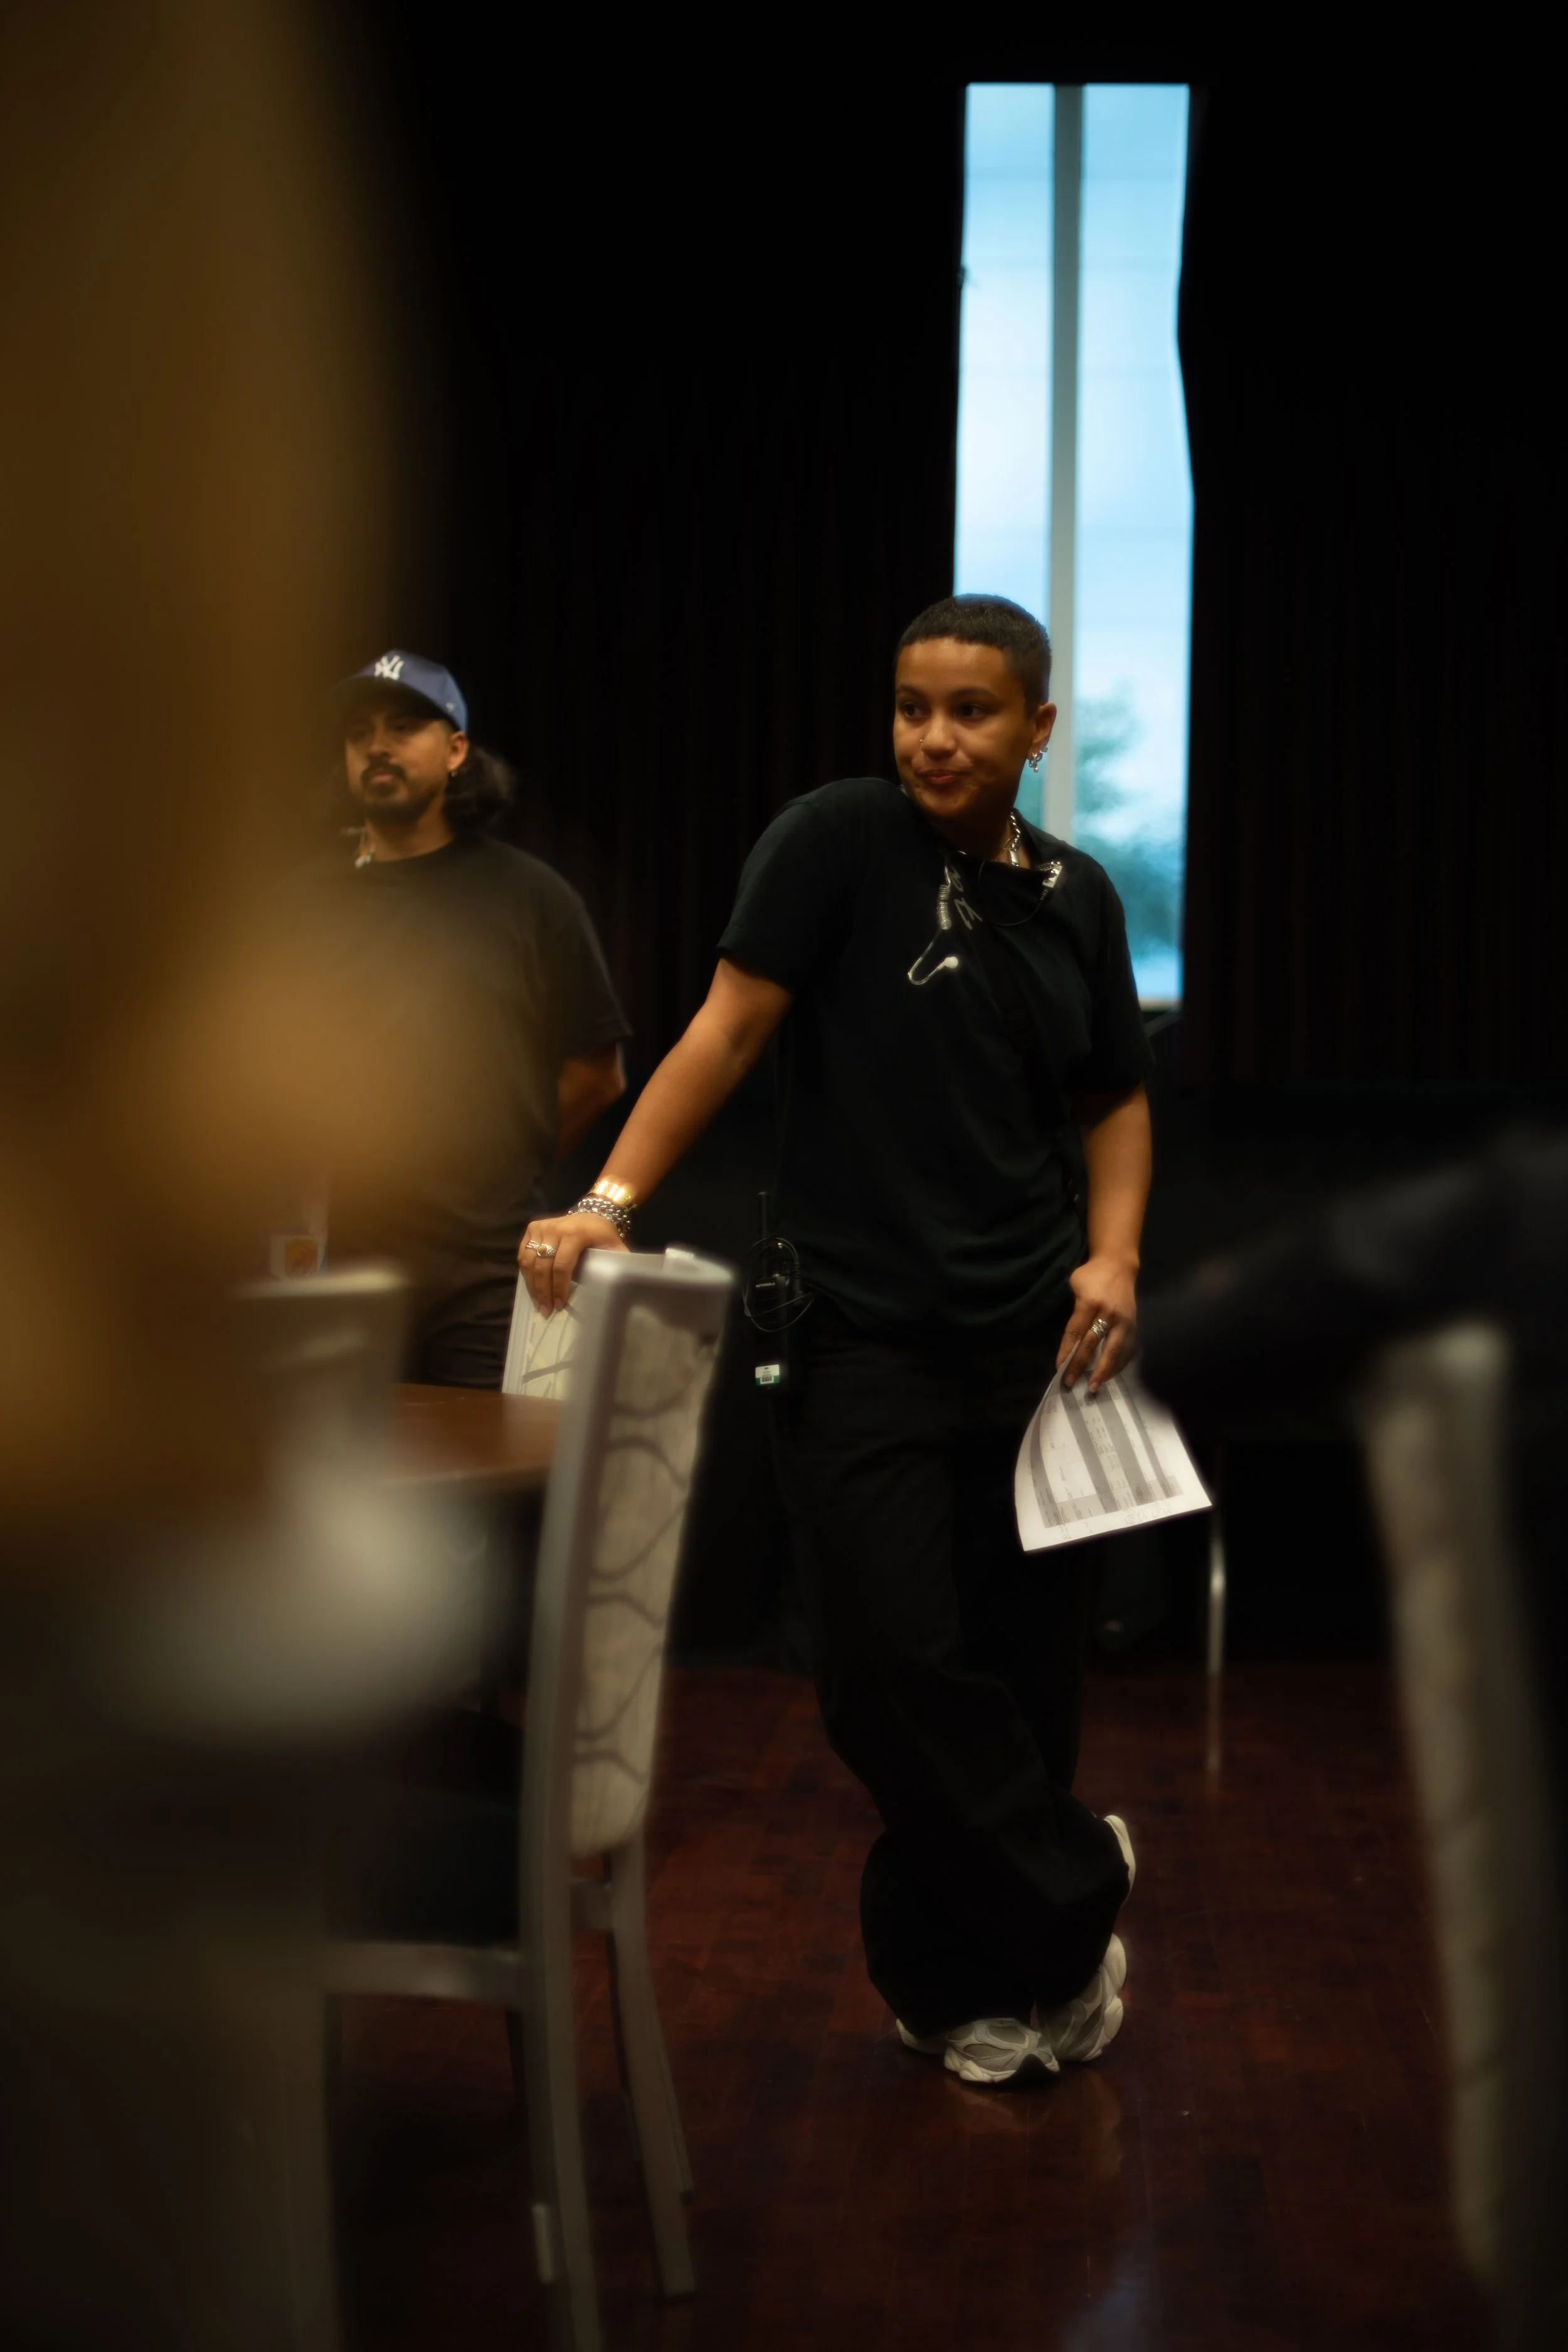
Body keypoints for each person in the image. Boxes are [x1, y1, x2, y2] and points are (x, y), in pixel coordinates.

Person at [519, 594, 1151, 2085]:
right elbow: (726, 1029)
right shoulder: (836, 841)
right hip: (857, 1332)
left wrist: (1115, 1256)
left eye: (972, 710)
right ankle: (1076, 1890)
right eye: (913, 705)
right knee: (883, 1666)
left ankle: (977, 1995)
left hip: (1033, 1347)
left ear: (1038, 729)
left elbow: (1113, 1095)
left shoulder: (1078, 894)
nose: (934, 735)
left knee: (1022, 1676)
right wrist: (607, 1192)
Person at [297, 649, 630, 1386]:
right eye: (360, 733)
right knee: (334, 1484)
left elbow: (596, 1075)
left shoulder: (531, 898)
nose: (377, 746)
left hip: (483, 1267)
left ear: (456, 752)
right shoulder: (299, 902)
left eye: (404, 725)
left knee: (488, 1485)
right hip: (335, 1263)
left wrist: (493, 1161)